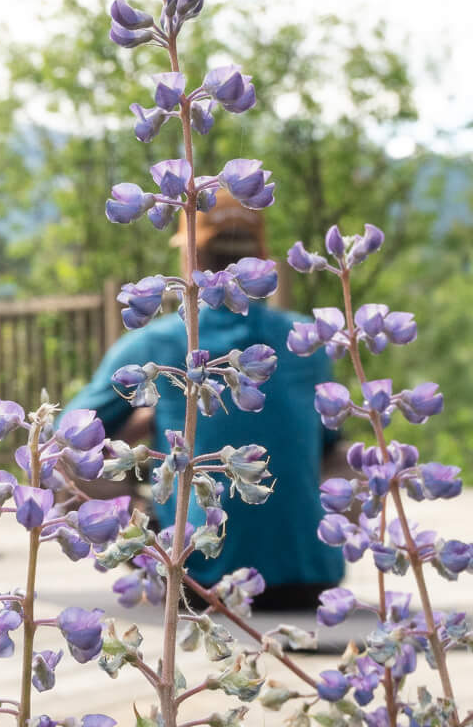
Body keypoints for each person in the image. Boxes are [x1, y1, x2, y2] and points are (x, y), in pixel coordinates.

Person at [62, 202, 344, 610]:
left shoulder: (153, 344)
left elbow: (60, 441)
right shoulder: (309, 342)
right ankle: (293, 546)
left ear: (187, 256)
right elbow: (328, 448)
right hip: (310, 581)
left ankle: (159, 540)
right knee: (344, 461)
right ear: (263, 261)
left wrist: (132, 437)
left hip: (196, 579)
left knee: (55, 468)